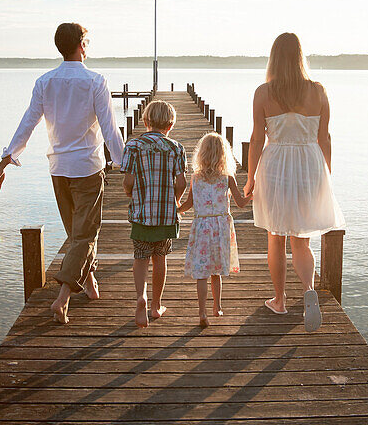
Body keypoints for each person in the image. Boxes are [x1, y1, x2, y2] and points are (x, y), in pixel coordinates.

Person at [0, 23, 125, 324]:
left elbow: (28, 123)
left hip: (59, 169)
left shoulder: (45, 82)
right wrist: (124, 163)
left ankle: (89, 284)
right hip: (88, 169)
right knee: (85, 235)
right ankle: (62, 299)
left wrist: (5, 161)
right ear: (81, 45)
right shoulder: (95, 81)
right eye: (87, 40)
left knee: (78, 235)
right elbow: (110, 128)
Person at [243, 32, 345, 332]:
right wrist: (326, 174)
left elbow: (256, 139)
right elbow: (324, 138)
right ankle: (308, 290)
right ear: (301, 57)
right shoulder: (318, 91)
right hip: (309, 167)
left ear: (274, 58)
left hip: (275, 165)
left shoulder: (263, 92)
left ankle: (279, 300)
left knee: (275, 237)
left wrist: (250, 179)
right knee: (301, 240)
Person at [121, 100, 187, 328]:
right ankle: (156, 305)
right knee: (160, 258)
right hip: (166, 215)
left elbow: (128, 180)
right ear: (170, 125)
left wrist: (130, 193)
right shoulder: (176, 148)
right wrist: (176, 202)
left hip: (141, 214)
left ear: (146, 122)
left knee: (140, 257)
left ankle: (141, 296)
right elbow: (182, 182)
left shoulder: (133, 146)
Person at [178, 132, 250, 327]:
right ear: (223, 155)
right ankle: (217, 307)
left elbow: (189, 203)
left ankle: (202, 312)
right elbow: (241, 203)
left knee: (202, 272)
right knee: (216, 271)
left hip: (201, 226)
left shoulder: (196, 178)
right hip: (220, 228)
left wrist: (176, 210)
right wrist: (254, 192)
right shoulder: (228, 178)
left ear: (202, 154)